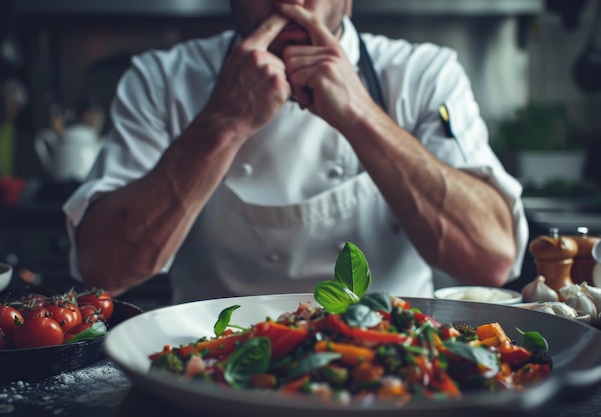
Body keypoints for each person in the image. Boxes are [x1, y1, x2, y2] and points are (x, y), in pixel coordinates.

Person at [63, 0, 528, 304]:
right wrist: (223, 124)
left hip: (395, 364)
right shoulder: (161, 80)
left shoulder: (424, 74)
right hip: (210, 367)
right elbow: (104, 269)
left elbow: (492, 258)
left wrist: (362, 115)